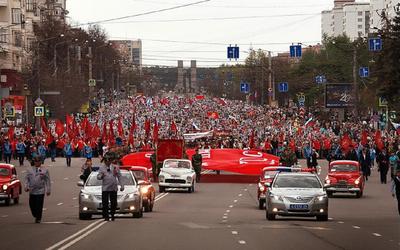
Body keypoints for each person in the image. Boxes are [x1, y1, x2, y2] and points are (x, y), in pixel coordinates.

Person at [97, 152, 124, 221]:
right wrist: (101, 176)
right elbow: (98, 176)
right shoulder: (101, 167)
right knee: (105, 203)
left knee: (114, 203)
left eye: (109, 161)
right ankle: (106, 216)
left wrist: (122, 185)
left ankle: (112, 214)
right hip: (105, 188)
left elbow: (119, 176)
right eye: (107, 161)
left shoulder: (115, 167)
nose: (108, 162)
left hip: (113, 188)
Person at [24, 156, 51, 223]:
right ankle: (35, 214)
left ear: (41, 162)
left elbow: (47, 180)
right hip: (32, 190)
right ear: (34, 162)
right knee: (32, 205)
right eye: (36, 161)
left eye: (38, 161)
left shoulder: (45, 170)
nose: (37, 163)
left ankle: (38, 218)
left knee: (39, 205)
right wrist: (26, 187)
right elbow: (26, 179)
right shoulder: (29, 170)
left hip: (40, 190)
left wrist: (48, 190)